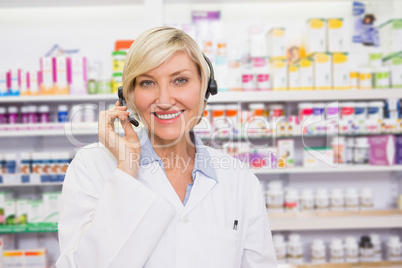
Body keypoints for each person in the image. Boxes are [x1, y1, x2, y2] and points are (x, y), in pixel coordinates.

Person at [56, 26, 277, 268]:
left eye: (180, 80)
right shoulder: (91, 167)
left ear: (205, 88)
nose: (163, 100)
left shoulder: (238, 178)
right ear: (128, 95)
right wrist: (126, 174)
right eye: (148, 82)